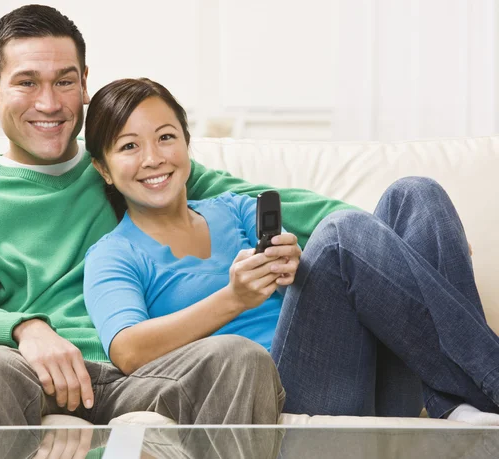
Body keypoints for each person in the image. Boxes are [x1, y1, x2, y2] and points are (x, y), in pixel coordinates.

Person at [0, 4, 286, 431]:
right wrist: (28, 329)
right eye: (27, 82)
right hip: (38, 376)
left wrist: (358, 225)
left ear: (85, 83)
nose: (49, 103)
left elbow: (260, 200)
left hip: (146, 376)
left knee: (237, 355)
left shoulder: (130, 167)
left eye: (64, 81)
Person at [83, 77, 499, 425]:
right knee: (340, 235)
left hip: (367, 380)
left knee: (416, 194)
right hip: (285, 397)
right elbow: (128, 350)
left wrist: (296, 268)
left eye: (166, 137)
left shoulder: (237, 209)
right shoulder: (113, 254)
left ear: (187, 145)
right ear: (103, 167)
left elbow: (310, 286)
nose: (153, 158)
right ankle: (488, 383)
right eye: (129, 147)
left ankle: (457, 402)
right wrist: (233, 299)